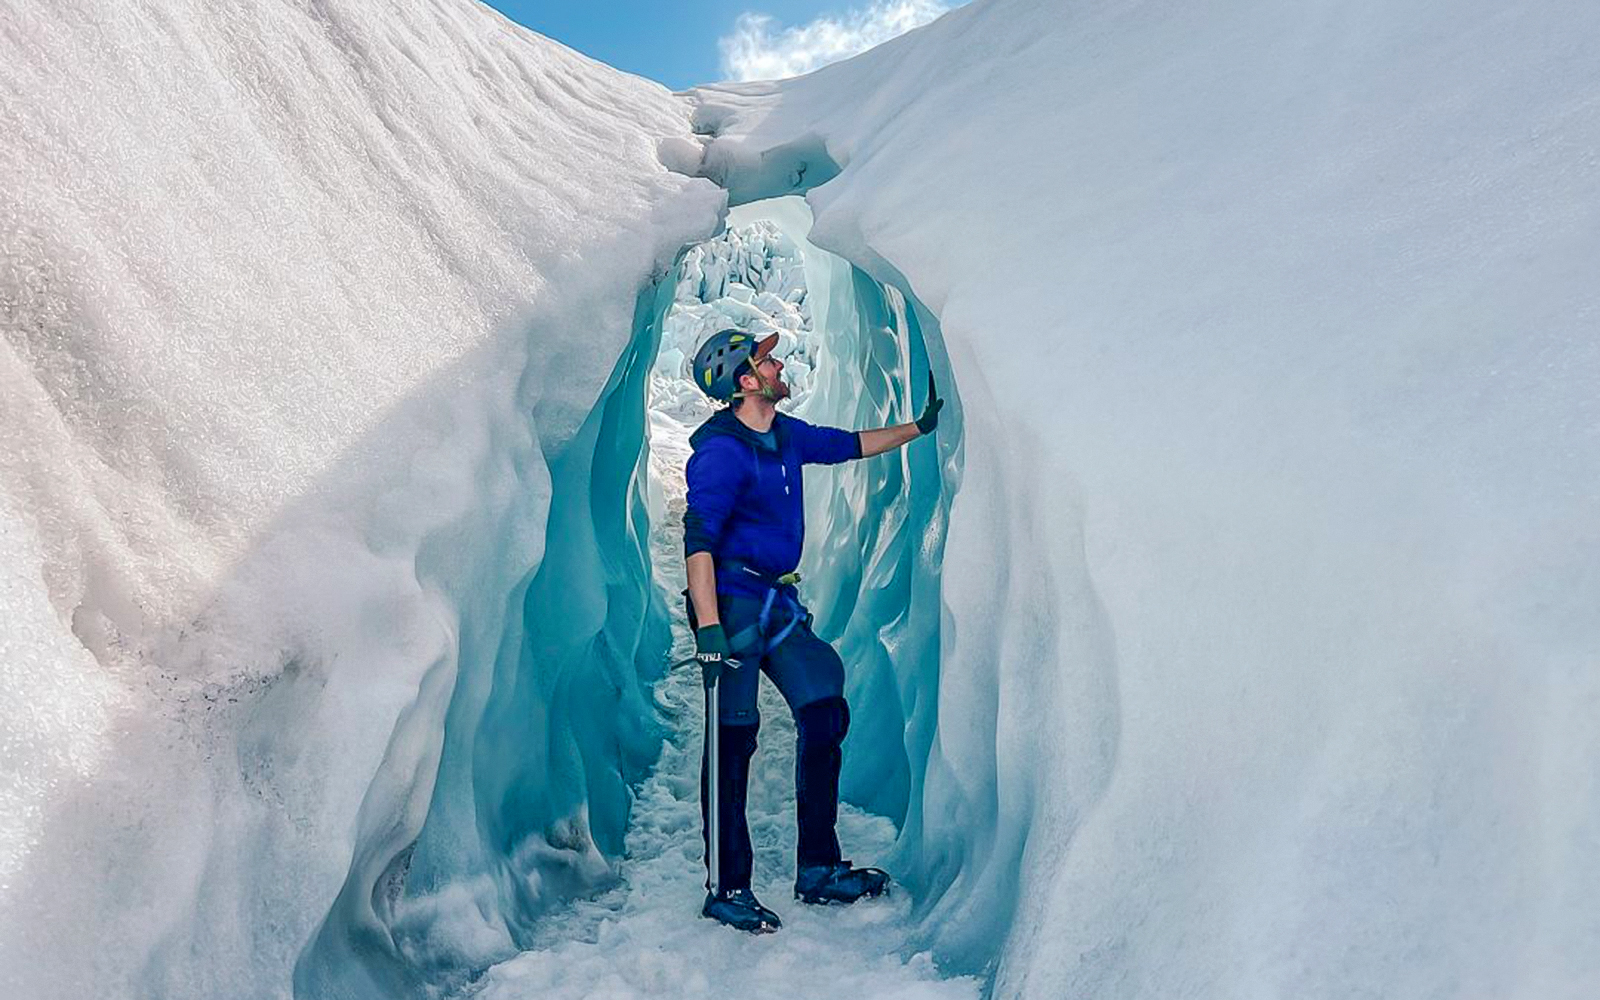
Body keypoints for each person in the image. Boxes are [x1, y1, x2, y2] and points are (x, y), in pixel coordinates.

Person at [682, 328, 944, 933]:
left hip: (776, 600)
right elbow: (698, 540)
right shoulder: (721, 452)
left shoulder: (784, 434)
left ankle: (818, 869)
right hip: (731, 603)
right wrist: (710, 629)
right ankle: (726, 886)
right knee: (733, 740)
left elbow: (848, 444)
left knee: (824, 710)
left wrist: (918, 428)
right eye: (765, 360)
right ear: (745, 381)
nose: (777, 364)